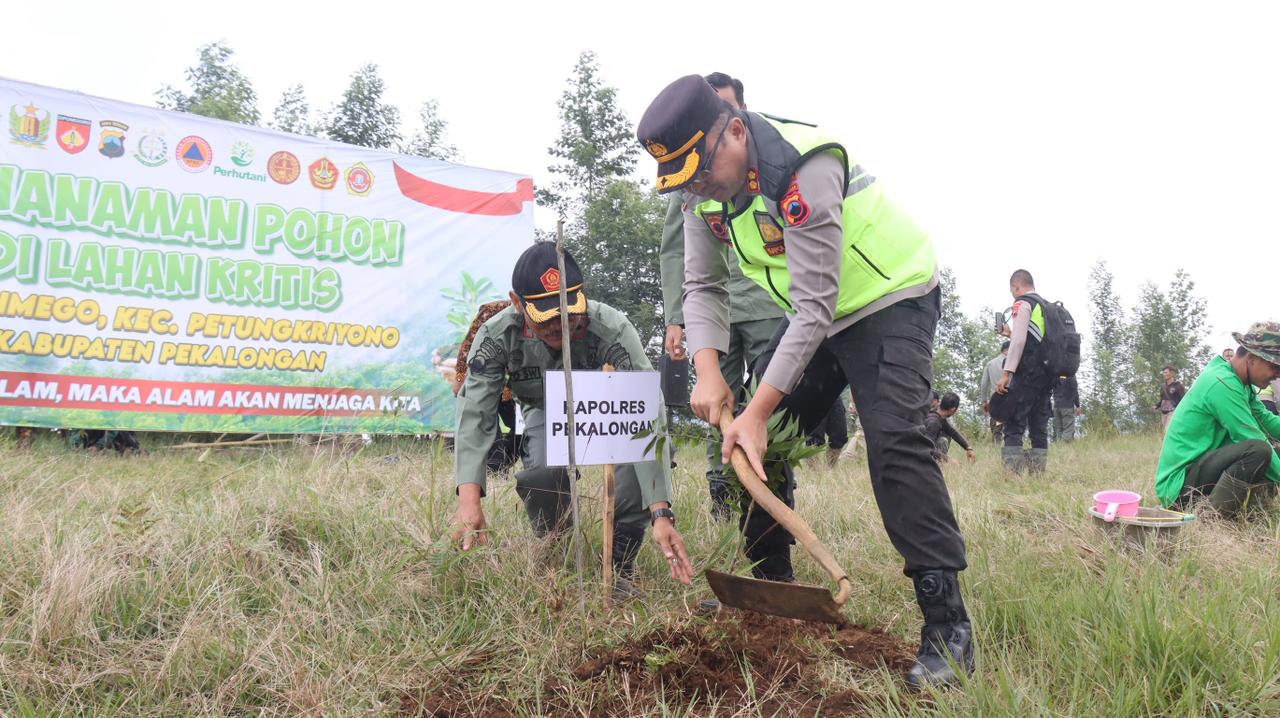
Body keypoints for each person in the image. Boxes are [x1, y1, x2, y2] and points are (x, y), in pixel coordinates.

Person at [637, 75, 973, 688]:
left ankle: (946, 625)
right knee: (757, 442)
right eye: (684, 182)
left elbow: (817, 305)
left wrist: (756, 408)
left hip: (886, 297)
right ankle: (774, 586)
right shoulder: (699, 191)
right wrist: (709, 371)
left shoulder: (804, 164)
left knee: (895, 441)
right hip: (815, 314)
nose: (698, 189)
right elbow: (704, 286)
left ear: (735, 128)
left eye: (702, 171)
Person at [450, 243, 694, 597]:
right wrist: (469, 500)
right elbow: (474, 413)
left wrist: (660, 513)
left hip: (609, 408)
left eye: (569, 313)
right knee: (544, 473)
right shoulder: (496, 335)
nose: (559, 326)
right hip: (543, 408)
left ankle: (620, 563)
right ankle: (555, 553)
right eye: (546, 317)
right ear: (517, 303)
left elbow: (645, 418)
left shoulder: (612, 328)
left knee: (638, 460)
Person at [659, 72, 784, 521]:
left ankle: (771, 489)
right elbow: (679, 255)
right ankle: (723, 491)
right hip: (715, 313)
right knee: (717, 402)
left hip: (769, 305)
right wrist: (677, 318)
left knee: (771, 400)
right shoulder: (693, 184)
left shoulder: (774, 163)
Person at [1156, 322, 1280, 517]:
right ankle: (1211, 517)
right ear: (1252, 358)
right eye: (1274, 366)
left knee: (1274, 450)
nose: (1277, 374)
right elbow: (1249, 435)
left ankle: (1253, 505)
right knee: (1259, 450)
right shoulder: (1222, 384)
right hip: (1179, 488)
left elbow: (1266, 419)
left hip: (1201, 469)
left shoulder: (1239, 382)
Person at [993, 270, 1054, 474]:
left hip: (1027, 375)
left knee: (1014, 424)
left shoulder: (1022, 304)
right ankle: (1037, 476)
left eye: (1012, 289)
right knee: (1039, 428)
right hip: (1047, 377)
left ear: (1016, 286)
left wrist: (1007, 373)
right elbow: (1032, 338)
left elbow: (1019, 342)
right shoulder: (1048, 308)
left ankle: (1012, 477)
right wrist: (1010, 333)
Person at [924, 392, 975, 464]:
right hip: (916, 455)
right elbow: (926, 447)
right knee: (942, 441)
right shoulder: (934, 422)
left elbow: (952, 432)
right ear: (953, 409)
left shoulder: (939, 417)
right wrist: (947, 459)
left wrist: (968, 447)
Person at [979, 342, 1010, 444]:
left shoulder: (990, 363)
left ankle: (996, 448)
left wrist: (984, 401)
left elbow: (983, 384)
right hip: (1011, 398)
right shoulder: (1013, 363)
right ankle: (1010, 447)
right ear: (1008, 349)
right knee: (1012, 428)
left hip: (995, 399)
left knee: (997, 429)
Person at [1155, 365, 1187, 435]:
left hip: (1173, 412)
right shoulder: (1163, 386)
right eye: (1164, 373)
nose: (1164, 374)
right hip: (1164, 412)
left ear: (1171, 373)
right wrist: (1156, 406)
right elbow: (1162, 399)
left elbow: (1183, 400)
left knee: (1168, 431)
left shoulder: (1178, 386)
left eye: (1166, 372)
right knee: (1164, 432)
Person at [1052, 375, 1081, 443]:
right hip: (1067, 406)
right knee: (1068, 429)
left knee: (1058, 429)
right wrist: (1078, 406)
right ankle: (1064, 447)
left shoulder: (1056, 375)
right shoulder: (1071, 375)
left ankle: (1058, 446)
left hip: (1056, 406)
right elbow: (1074, 391)